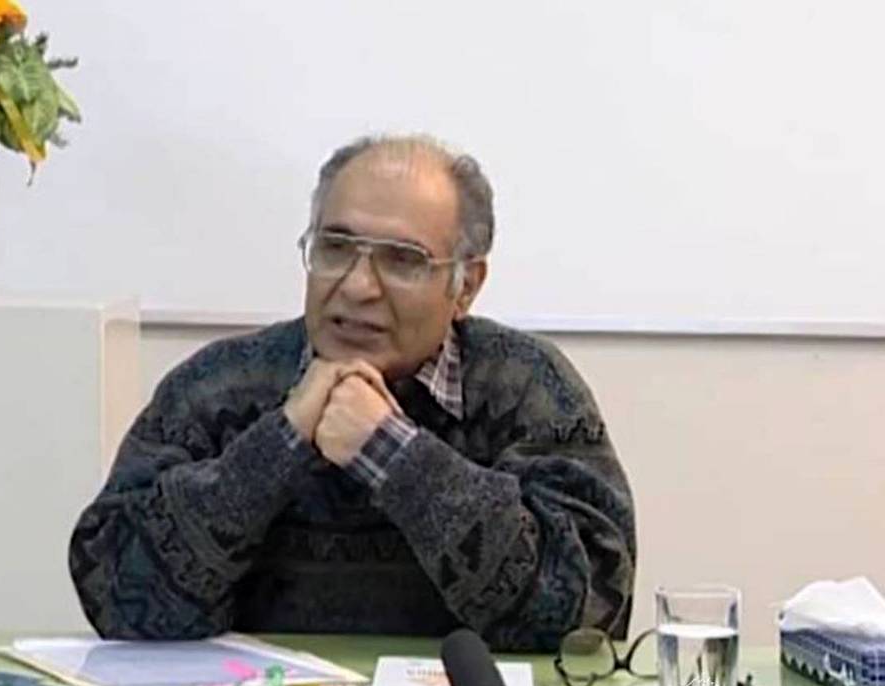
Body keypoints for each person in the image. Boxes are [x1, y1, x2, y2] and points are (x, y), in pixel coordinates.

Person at [68, 134, 635, 651]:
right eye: (336, 248)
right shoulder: (219, 385)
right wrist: (280, 443)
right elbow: (118, 599)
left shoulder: (526, 386)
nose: (358, 286)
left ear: (466, 286)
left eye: (403, 260)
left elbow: (587, 615)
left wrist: (393, 454)